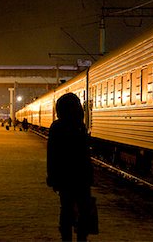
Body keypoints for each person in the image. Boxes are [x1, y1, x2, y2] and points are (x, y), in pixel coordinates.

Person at [46, 93, 94, 242]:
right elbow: (85, 155)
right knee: (84, 209)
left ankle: (66, 238)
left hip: (64, 177)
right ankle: (82, 237)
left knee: (66, 209)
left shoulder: (56, 127)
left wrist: (52, 177)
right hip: (81, 177)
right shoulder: (80, 127)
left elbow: (52, 155)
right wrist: (90, 176)